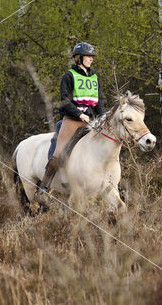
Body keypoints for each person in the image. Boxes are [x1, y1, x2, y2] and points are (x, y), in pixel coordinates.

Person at [34, 42, 105, 204]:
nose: (91, 59)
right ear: (78, 58)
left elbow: (99, 101)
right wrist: (80, 114)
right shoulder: (68, 76)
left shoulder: (95, 76)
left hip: (92, 121)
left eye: (92, 57)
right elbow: (65, 102)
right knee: (59, 153)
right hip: (73, 120)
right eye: (88, 56)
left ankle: (110, 183)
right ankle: (43, 188)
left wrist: (103, 118)